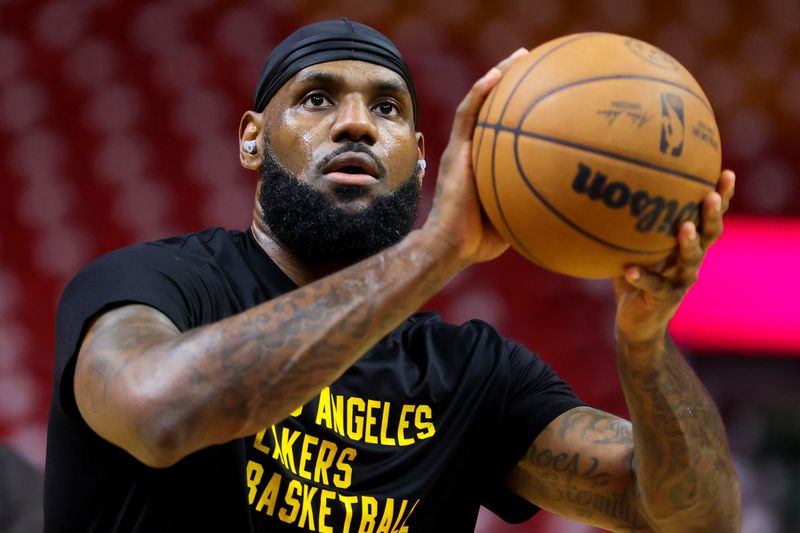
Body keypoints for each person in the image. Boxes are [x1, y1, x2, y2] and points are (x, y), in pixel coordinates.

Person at [44, 18, 740, 532]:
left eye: (388, 108)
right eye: (317, 98)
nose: (357, 125)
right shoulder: (154, 285)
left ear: (420, 156)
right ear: (252, 136)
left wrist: (645, 345)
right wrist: (439, 248)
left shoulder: (473, 373)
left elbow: (690, 517)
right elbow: (163, 413)